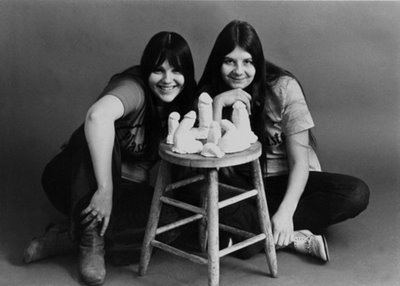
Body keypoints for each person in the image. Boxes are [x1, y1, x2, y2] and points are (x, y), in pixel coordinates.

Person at [23, 31, 197, 285]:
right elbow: (97, 117)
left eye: (176, 71)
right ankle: (91, 239)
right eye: (158, 70)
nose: (167, 80)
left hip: (122, 193)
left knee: (172, 224)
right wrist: (105, 189)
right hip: (73, 180)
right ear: (146, 69)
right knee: (93, 135)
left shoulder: (184, 104)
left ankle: (68, 238)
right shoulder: (134, 87)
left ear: (187, 74)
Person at [197, 20, 370, 262]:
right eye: (229, 61)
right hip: (241, 187)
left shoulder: (283, 88)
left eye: (247, 61)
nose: (239, 70)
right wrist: (218, 104)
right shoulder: (208, 93)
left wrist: (287, 213)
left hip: (285, 182)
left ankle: (253, 236)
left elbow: (300, 162)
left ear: (258, 61)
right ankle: (292, 238)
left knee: (356, 193)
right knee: (197, 191)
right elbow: (207, 162)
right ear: (218, 62)